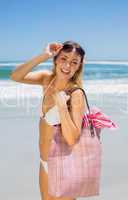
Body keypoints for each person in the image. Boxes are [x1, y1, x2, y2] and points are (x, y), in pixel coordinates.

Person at [10, 40, 86, 200]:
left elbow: (72, 139)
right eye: (63, 59)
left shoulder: (76, 93)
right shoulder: (47, 79)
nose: (67, 66)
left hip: (64, 165)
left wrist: (63, 108)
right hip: (44, 163)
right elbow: (15, 76)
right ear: (56, 59)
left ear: (79, 66)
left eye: (74, 62)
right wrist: (44, 55)